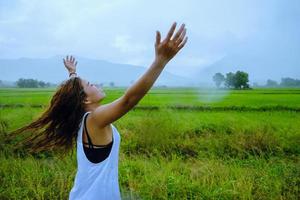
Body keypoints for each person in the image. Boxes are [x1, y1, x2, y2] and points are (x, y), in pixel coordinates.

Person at [9, 22, 187, 199]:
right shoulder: (94, 119)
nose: (95, 84)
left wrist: (73, 73)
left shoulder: (83, 119)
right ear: (85, 99)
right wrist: (160, 61)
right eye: (90, 84)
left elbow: (76, 92)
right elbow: (128, 101)